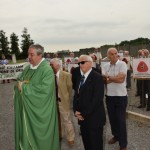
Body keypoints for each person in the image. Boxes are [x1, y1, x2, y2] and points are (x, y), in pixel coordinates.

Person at [14, 44, 60, 150]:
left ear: (40, 55)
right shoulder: (27, 69)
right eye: (28, 54)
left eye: (32, 54)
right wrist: (19, 86)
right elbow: (19, 81)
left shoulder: (46, 70)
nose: (29, 57)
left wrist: (24, 87)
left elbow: (44, 91)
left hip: (40, 113)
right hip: (27, 111)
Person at [73, 55, 106, 150]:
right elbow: (76, 95)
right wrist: (75, 110)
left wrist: (83, 114)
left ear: (90, 63)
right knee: (87, 144)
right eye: (79, 63)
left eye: (82, 62)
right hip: (83, 119)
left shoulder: (97, 77)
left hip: (94, 119)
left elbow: (97, 100)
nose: (80, 65)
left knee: (95, 145)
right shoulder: (80, 77)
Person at [102, 48, 128, 150]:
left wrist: (109, 77)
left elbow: (121, 80)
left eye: (115, 53)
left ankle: (123, 144)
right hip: (109, 96)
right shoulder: (105, 66)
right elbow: (104, 81)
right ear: (108, 56)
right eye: (111, 54)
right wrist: (114, 78)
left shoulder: (122, 64)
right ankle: (116, 136)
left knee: (121, 120)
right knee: (112, 119)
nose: (114, 55)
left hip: (121, 96)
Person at [50, 58, 75, 146]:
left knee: (66, 120)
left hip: (63, 101)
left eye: (52, 64)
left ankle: (71, 137)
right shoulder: (50, 75)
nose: (50, 66)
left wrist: (66, 98)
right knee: (57, 119)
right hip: (53, 102)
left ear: (57, 65)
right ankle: (60, 134)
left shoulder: (66, 75)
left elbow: (69, 89)